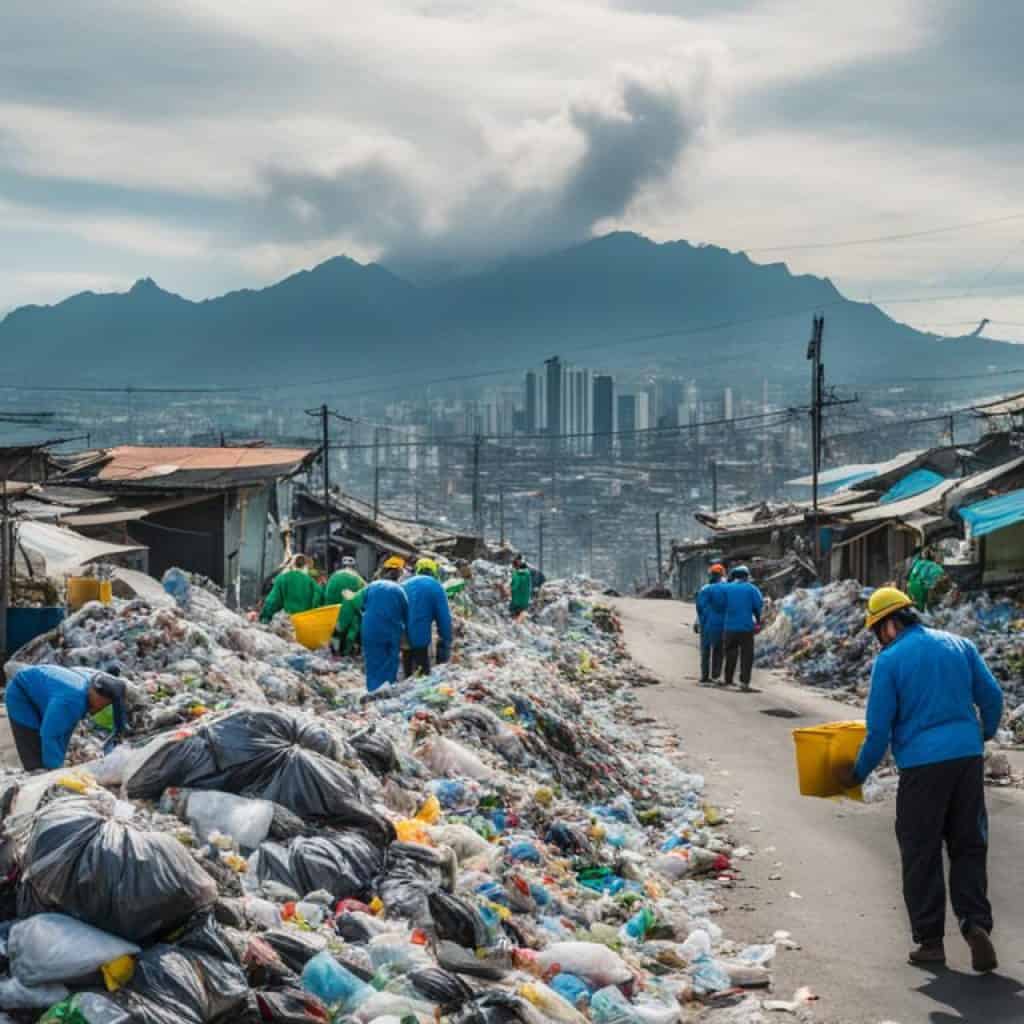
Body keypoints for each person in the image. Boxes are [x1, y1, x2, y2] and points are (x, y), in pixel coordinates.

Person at [836, 587, 1003, 972]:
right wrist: (982, 734)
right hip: (966, 760)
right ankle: (975, 923)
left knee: (920, 851)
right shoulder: (960, 645)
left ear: (889, 625)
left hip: (922, 768)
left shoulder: (891, 661)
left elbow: (878, 732)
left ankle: (930, 942)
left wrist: (857, 773)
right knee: (968, 846)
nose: (879, 639)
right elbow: (992, 697)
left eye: (878, 631)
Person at [5, 665, 128, 770]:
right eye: (105, 704)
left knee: (59, 734)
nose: (103, 708)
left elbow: (65, 730)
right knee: (35, 759)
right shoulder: (72, 700)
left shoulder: (88, 690)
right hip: (21, 694)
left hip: (42, 690)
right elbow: (49, 735)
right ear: (98, 697)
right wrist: (56, 771)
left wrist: (119, 732)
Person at [361, 556, 409, 691]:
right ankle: (386, 691)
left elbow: (362, 605)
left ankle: (372, 691)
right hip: (390, 631)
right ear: (398, 575)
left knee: (373, 661)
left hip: (369, 629)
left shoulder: (371, 586)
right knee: (390, 662)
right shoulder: (400, 590)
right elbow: (406, 614)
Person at [401, 558, 453, 677]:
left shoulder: (405, 584)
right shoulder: (436, 586)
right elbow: (444, 617)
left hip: (402, 633)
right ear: (434, 571)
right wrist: (445, 638)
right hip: (420, 635)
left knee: (407, 665)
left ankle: (406, 682)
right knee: (422, 671)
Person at [722, 565, 763, 691]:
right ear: (746, 576)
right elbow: (758, 606)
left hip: (729, 627)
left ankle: (728, 679)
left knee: (730, 653)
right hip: (746, 627)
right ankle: (744, 683)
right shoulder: (752, 589)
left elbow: (721, 605)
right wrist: (758, 621)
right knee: (746, 656)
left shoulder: (727, 588)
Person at [260, 554, 322, 623]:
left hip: (288, 622)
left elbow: (272, 601)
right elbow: (318, 599)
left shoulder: (282, 579)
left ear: (292, 564)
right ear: (305, 566)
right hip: (305, 623)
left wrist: (264, 617)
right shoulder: (312, 582)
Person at [695, 563, 727, 685]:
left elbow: (699, 608)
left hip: (706, 624)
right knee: (718, 650)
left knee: (705, 650)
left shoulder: (704, 589)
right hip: (721, 625)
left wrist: (698, 622)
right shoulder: (727, 589)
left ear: (711, 575)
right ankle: (716, 675)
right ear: (722, 575)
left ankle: (704, 676)